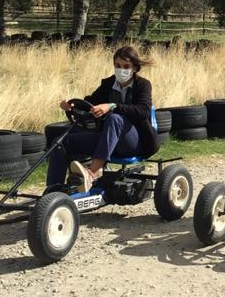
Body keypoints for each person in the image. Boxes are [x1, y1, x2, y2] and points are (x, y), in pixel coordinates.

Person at [46, 45, 159, 191]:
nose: (121, 70)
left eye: (126, 66)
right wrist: (72, 106)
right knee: (61, 141)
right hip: (107, 139)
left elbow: (143, 110)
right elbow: (91, 103)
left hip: (134, 141)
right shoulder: (108, 84)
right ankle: (54, 189)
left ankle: (91, 173)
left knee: (115, 119)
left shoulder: (143, 85)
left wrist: (112, 106)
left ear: (135, 68)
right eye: (117, 66)